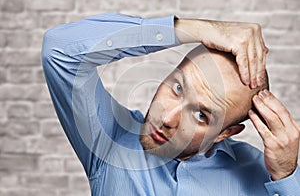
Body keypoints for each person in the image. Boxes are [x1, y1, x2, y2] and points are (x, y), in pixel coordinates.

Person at [42, 11, 300, 195]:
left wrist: (288, 176)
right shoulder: (109, 139)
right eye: (177, 87)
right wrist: (198, 29)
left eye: (201, 115)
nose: (167, 118)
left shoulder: (262, 175)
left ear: (225, 133)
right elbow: (60, 50)